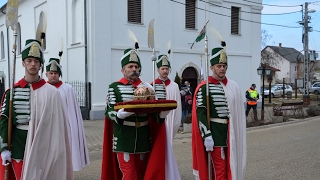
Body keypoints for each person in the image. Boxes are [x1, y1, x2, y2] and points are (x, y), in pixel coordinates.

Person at [0, 39, 73, 180]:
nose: (33, 64)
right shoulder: (12, 92)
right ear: (23, 63)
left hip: (45, 147)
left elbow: (58, 125)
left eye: (36, 61)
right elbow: (4, 122)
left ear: (41, 65)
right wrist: (3, 148)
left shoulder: (52, 92)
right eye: (29, 60)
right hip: (19, 147)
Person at [101, 45, 171, 180]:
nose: (134, 69)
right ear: (123, 70)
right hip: (124, 136)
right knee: (129, 174)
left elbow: (152, 113)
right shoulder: (114, 87)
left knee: (140, 173)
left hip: (143, 137)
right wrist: (118, 115)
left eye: (136, 67)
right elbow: (108, 110)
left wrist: (161, 114)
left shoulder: (147, 87)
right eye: (130, 66)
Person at [192, 45, 246, 180]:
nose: (222, 69)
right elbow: (201, 114)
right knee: (219, 170)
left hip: (230, 133)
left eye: (224, 66)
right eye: (218, 66)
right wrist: (207, 136)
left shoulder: (233, 86)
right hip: (216, 135)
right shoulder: (205, 87)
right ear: (212, 68)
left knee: (229, 166)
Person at [46, 57, 90, 171]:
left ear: (59, 74)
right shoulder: (43, 89)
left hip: (65, 127)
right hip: (48, 127)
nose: (53, 75)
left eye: (55, 73)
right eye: (51, 73)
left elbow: (72, 110)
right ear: (46, 74)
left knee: (66, 154)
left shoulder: (67, 88)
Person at [153, 53, 181, 179]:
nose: (165, 71)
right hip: (158, 121)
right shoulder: (152, 85)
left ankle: (168, 171)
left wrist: (175, 123)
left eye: (166, 68)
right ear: (158, 70)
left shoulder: (174, 86)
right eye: (162, 68)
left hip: (171, 120)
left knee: (168, 146)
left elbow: (177, 106)